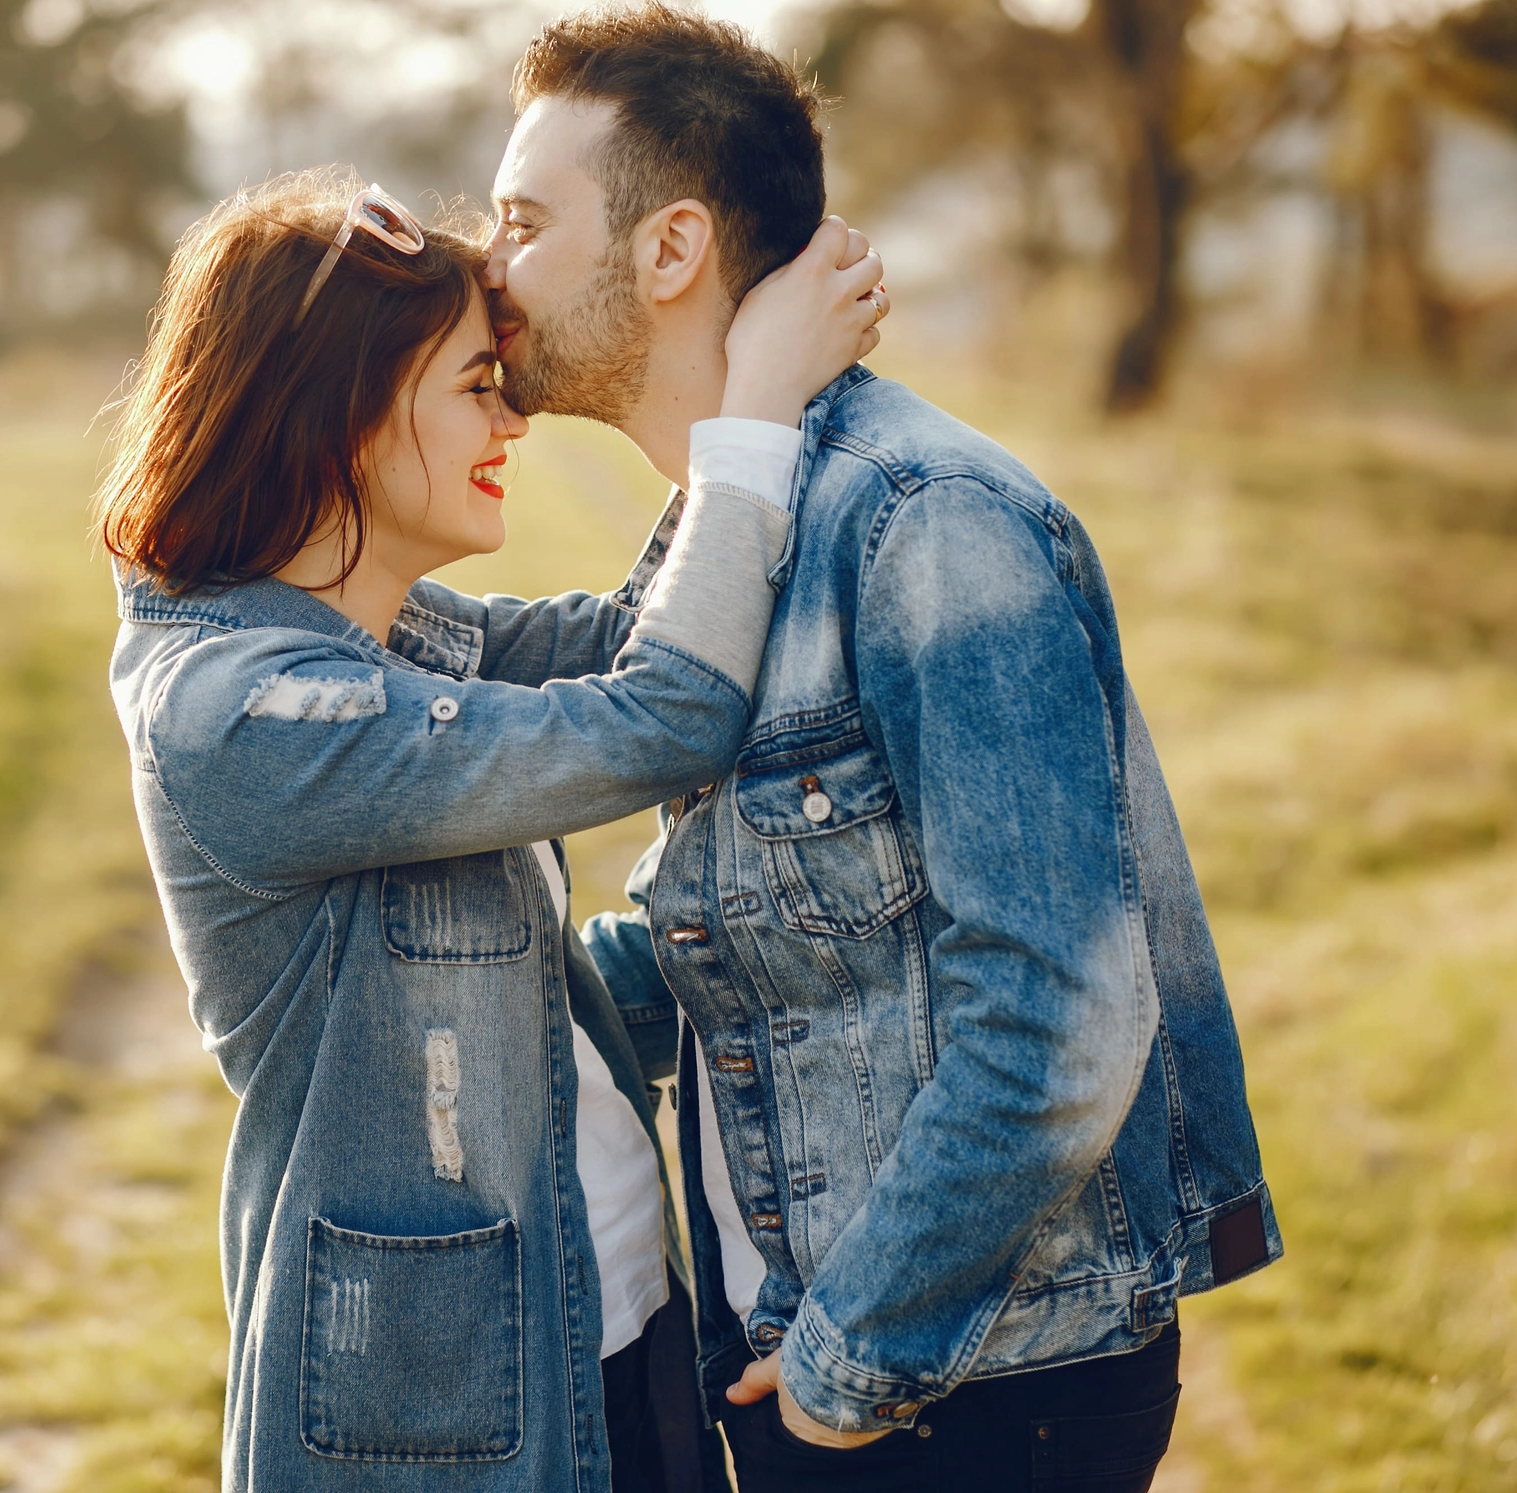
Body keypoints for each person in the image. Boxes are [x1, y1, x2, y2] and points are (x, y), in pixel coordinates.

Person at [481, 9, 1283, 1491]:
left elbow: (1058, 1011)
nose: (490, 266)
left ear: (669, 252)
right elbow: (770, 938)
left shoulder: (926, 524)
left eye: (523, 223)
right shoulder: (736, 524)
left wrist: (855, 1364)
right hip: (815, 1359)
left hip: (962, 1388)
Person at [93, 169, 883, 1492]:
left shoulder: (388, 637)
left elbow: (648, 636)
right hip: (448, 1427)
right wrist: (751, 414)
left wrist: (728, 380)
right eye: (477, 383)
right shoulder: (249, 712)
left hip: (612, 1334)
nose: (510, 416)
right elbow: (665, 716)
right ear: (340, 410)